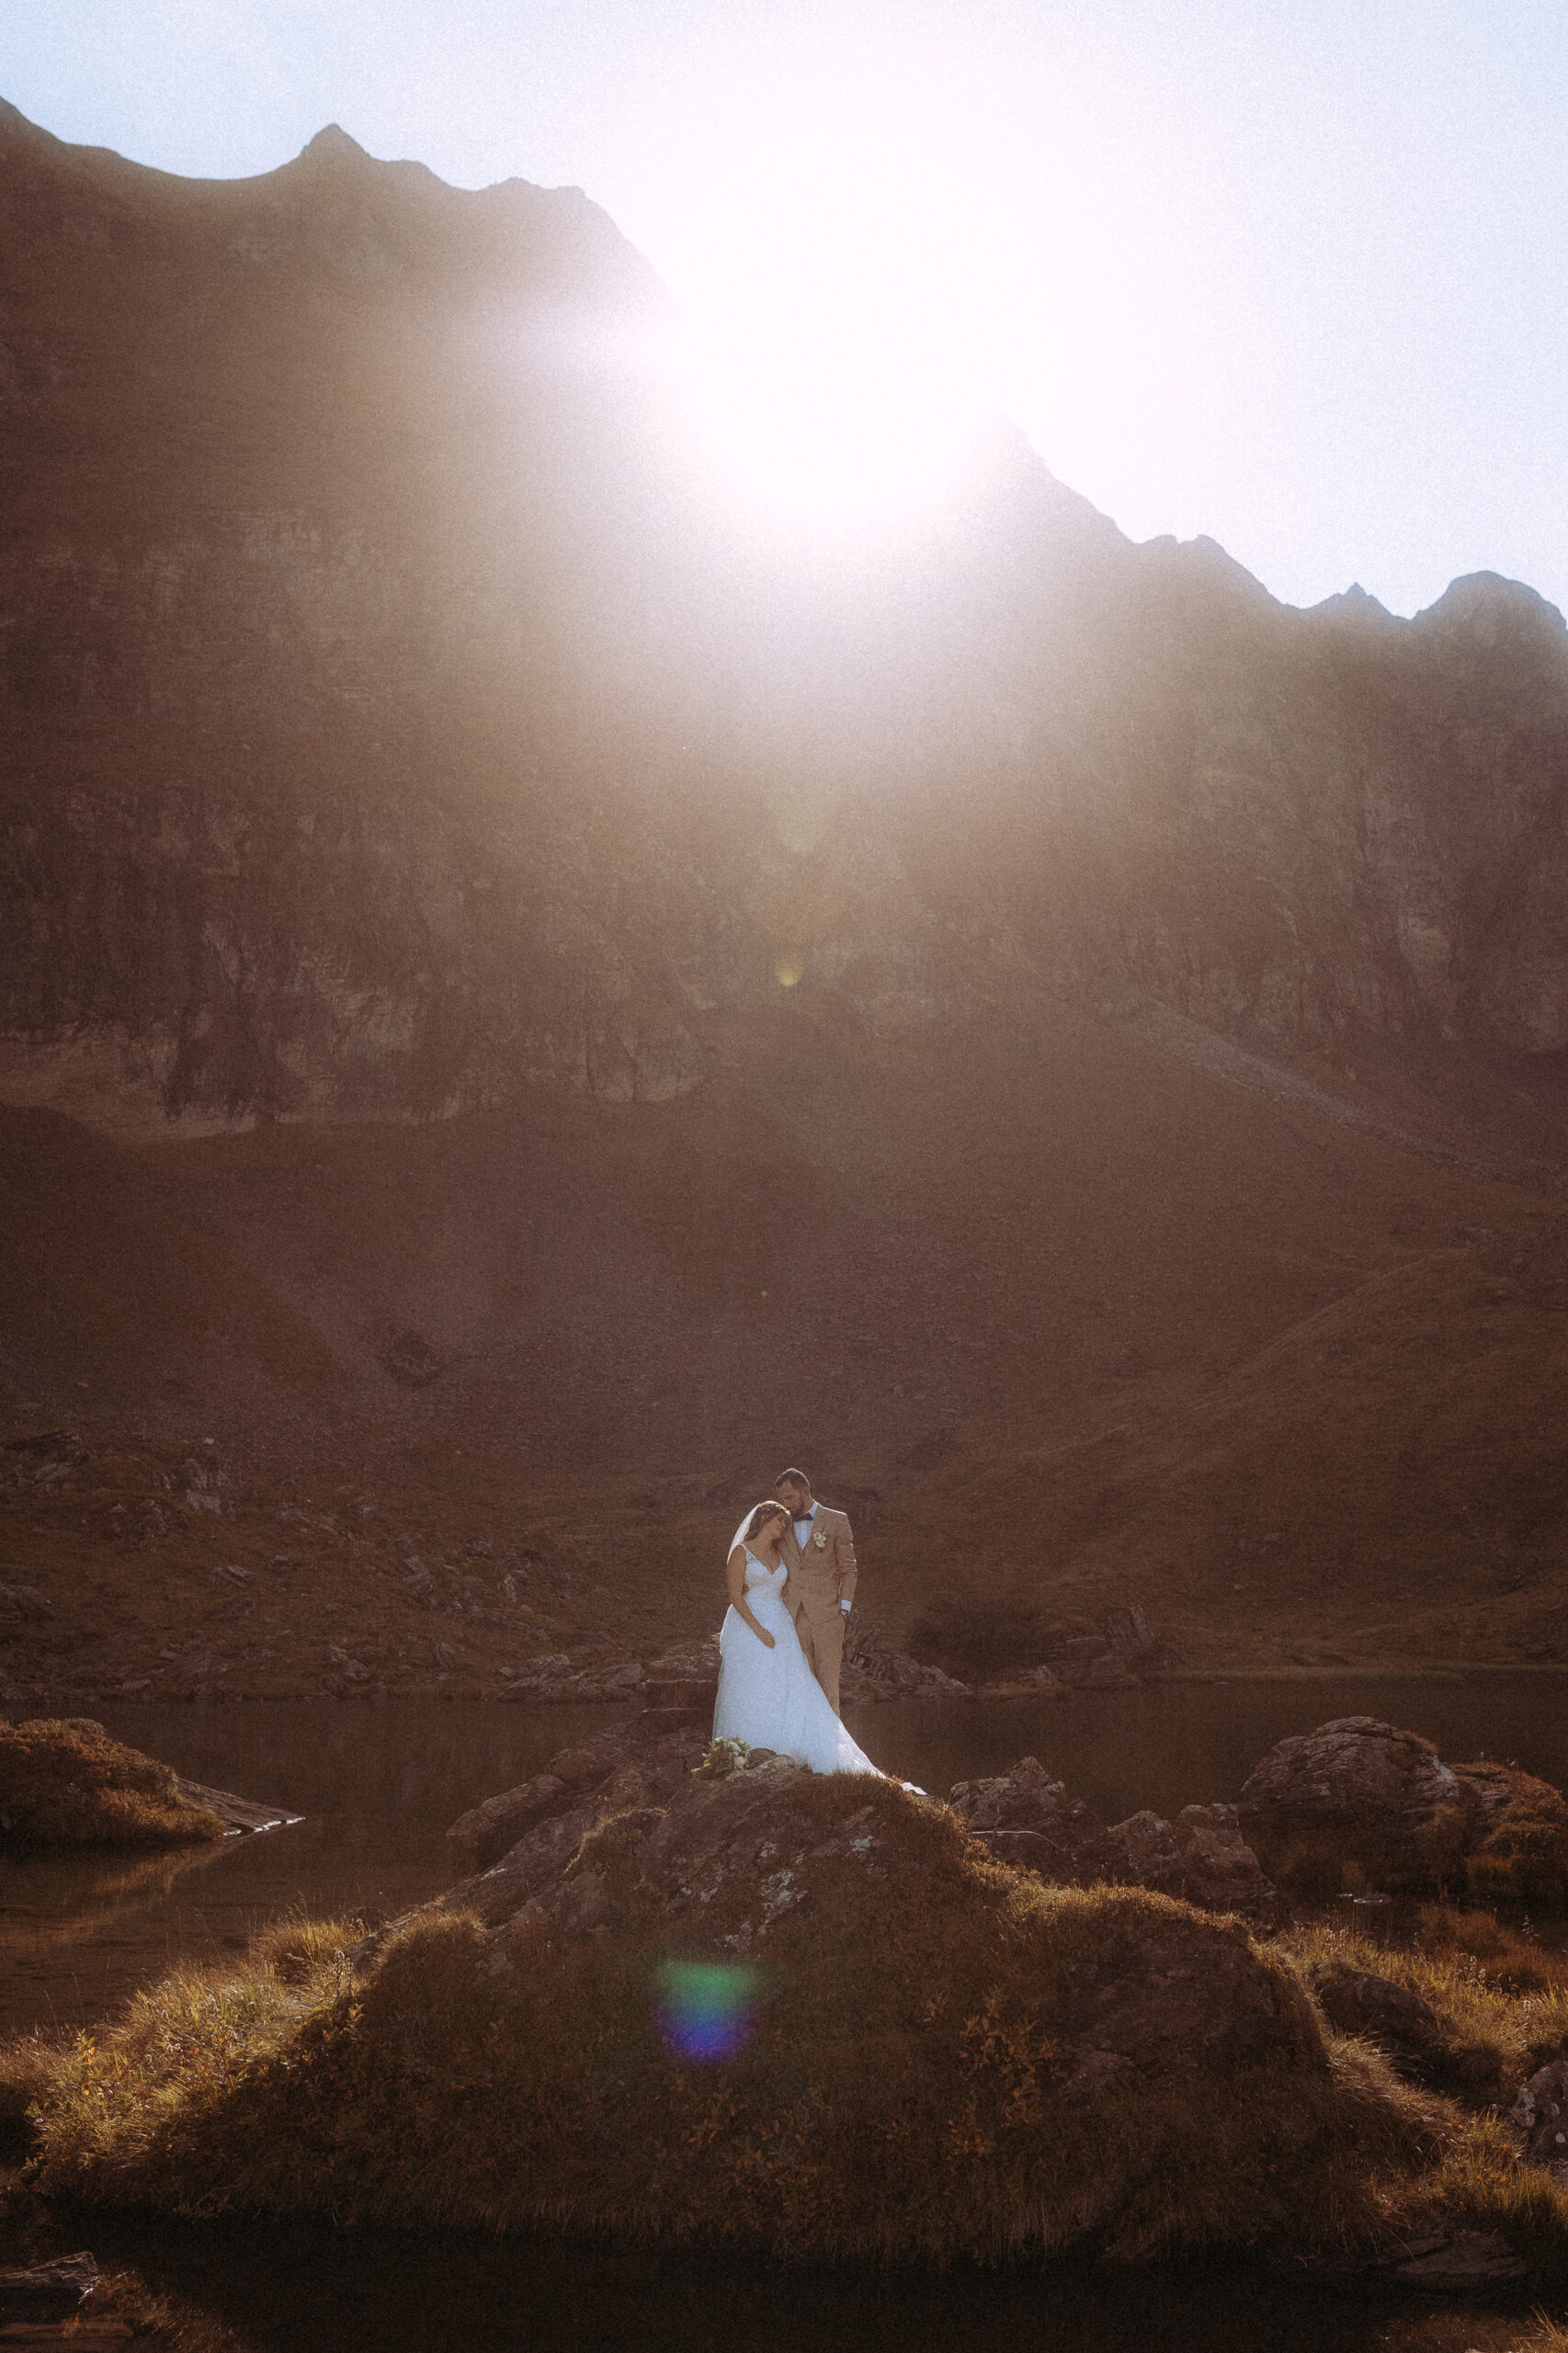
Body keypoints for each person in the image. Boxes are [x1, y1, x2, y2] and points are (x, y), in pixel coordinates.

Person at [712, 1499, 881, 1776]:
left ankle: (789, 1742)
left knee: (788, 1683)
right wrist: (757, 1629)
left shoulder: (780, 1553)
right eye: (780, 1521)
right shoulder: (741, 1553)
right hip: (748, 1624)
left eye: (786, 1522)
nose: (784, 1526)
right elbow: (734, 1595)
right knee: (750, 1684)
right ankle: (745, 1747)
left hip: (780, 1622)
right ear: (763, 1519)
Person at [776, 1468, 857, 1717]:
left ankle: (833, 1754)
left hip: (829, 1617)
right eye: (782, 1500)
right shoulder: (780, 1523)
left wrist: (843, 1611)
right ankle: (805, 1749)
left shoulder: (836, 1520)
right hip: (793, 1617)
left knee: (829, 1689)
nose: (785, 1505)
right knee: (800, 1687)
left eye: (789, 1498)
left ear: (805, 1492)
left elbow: (849, 1570)